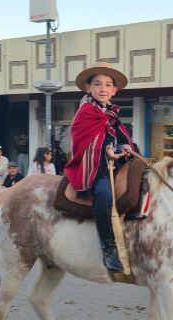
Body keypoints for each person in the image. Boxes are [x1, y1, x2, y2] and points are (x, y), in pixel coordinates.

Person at [66, 63, 133, 273]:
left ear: (114, 90)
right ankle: (108, 248)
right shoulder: (85, 112)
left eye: (108, 84)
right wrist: (106, 151)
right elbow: (80, 141)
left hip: (117, 163)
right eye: (97, 84)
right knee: (104, 194)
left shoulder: (112, 114)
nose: (103, 88)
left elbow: (121, 137)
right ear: (88, 88)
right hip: (95, 166)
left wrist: (126, 148)